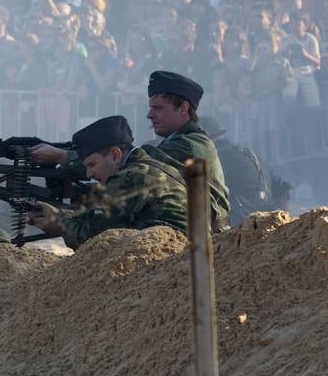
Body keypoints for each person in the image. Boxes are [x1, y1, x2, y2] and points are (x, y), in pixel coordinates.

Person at [25, 115, 188, 249]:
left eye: (92, 164)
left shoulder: (129, 177)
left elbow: (93, 239)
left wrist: (60, 223)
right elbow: (103, 220)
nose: (89, 173)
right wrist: (63, 215)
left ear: (115, 155)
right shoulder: (152, 167)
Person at [142, 70, 231, 229]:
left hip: (209, 242)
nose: (150, 115)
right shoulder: (178, 140)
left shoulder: (189, 145)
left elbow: (136, 161)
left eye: (158, 108)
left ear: (183, 108)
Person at [200, 115, 288, 224]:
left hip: (243, 222)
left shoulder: (217, 158)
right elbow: (283, 188)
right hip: (268, 216)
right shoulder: (249, 153)